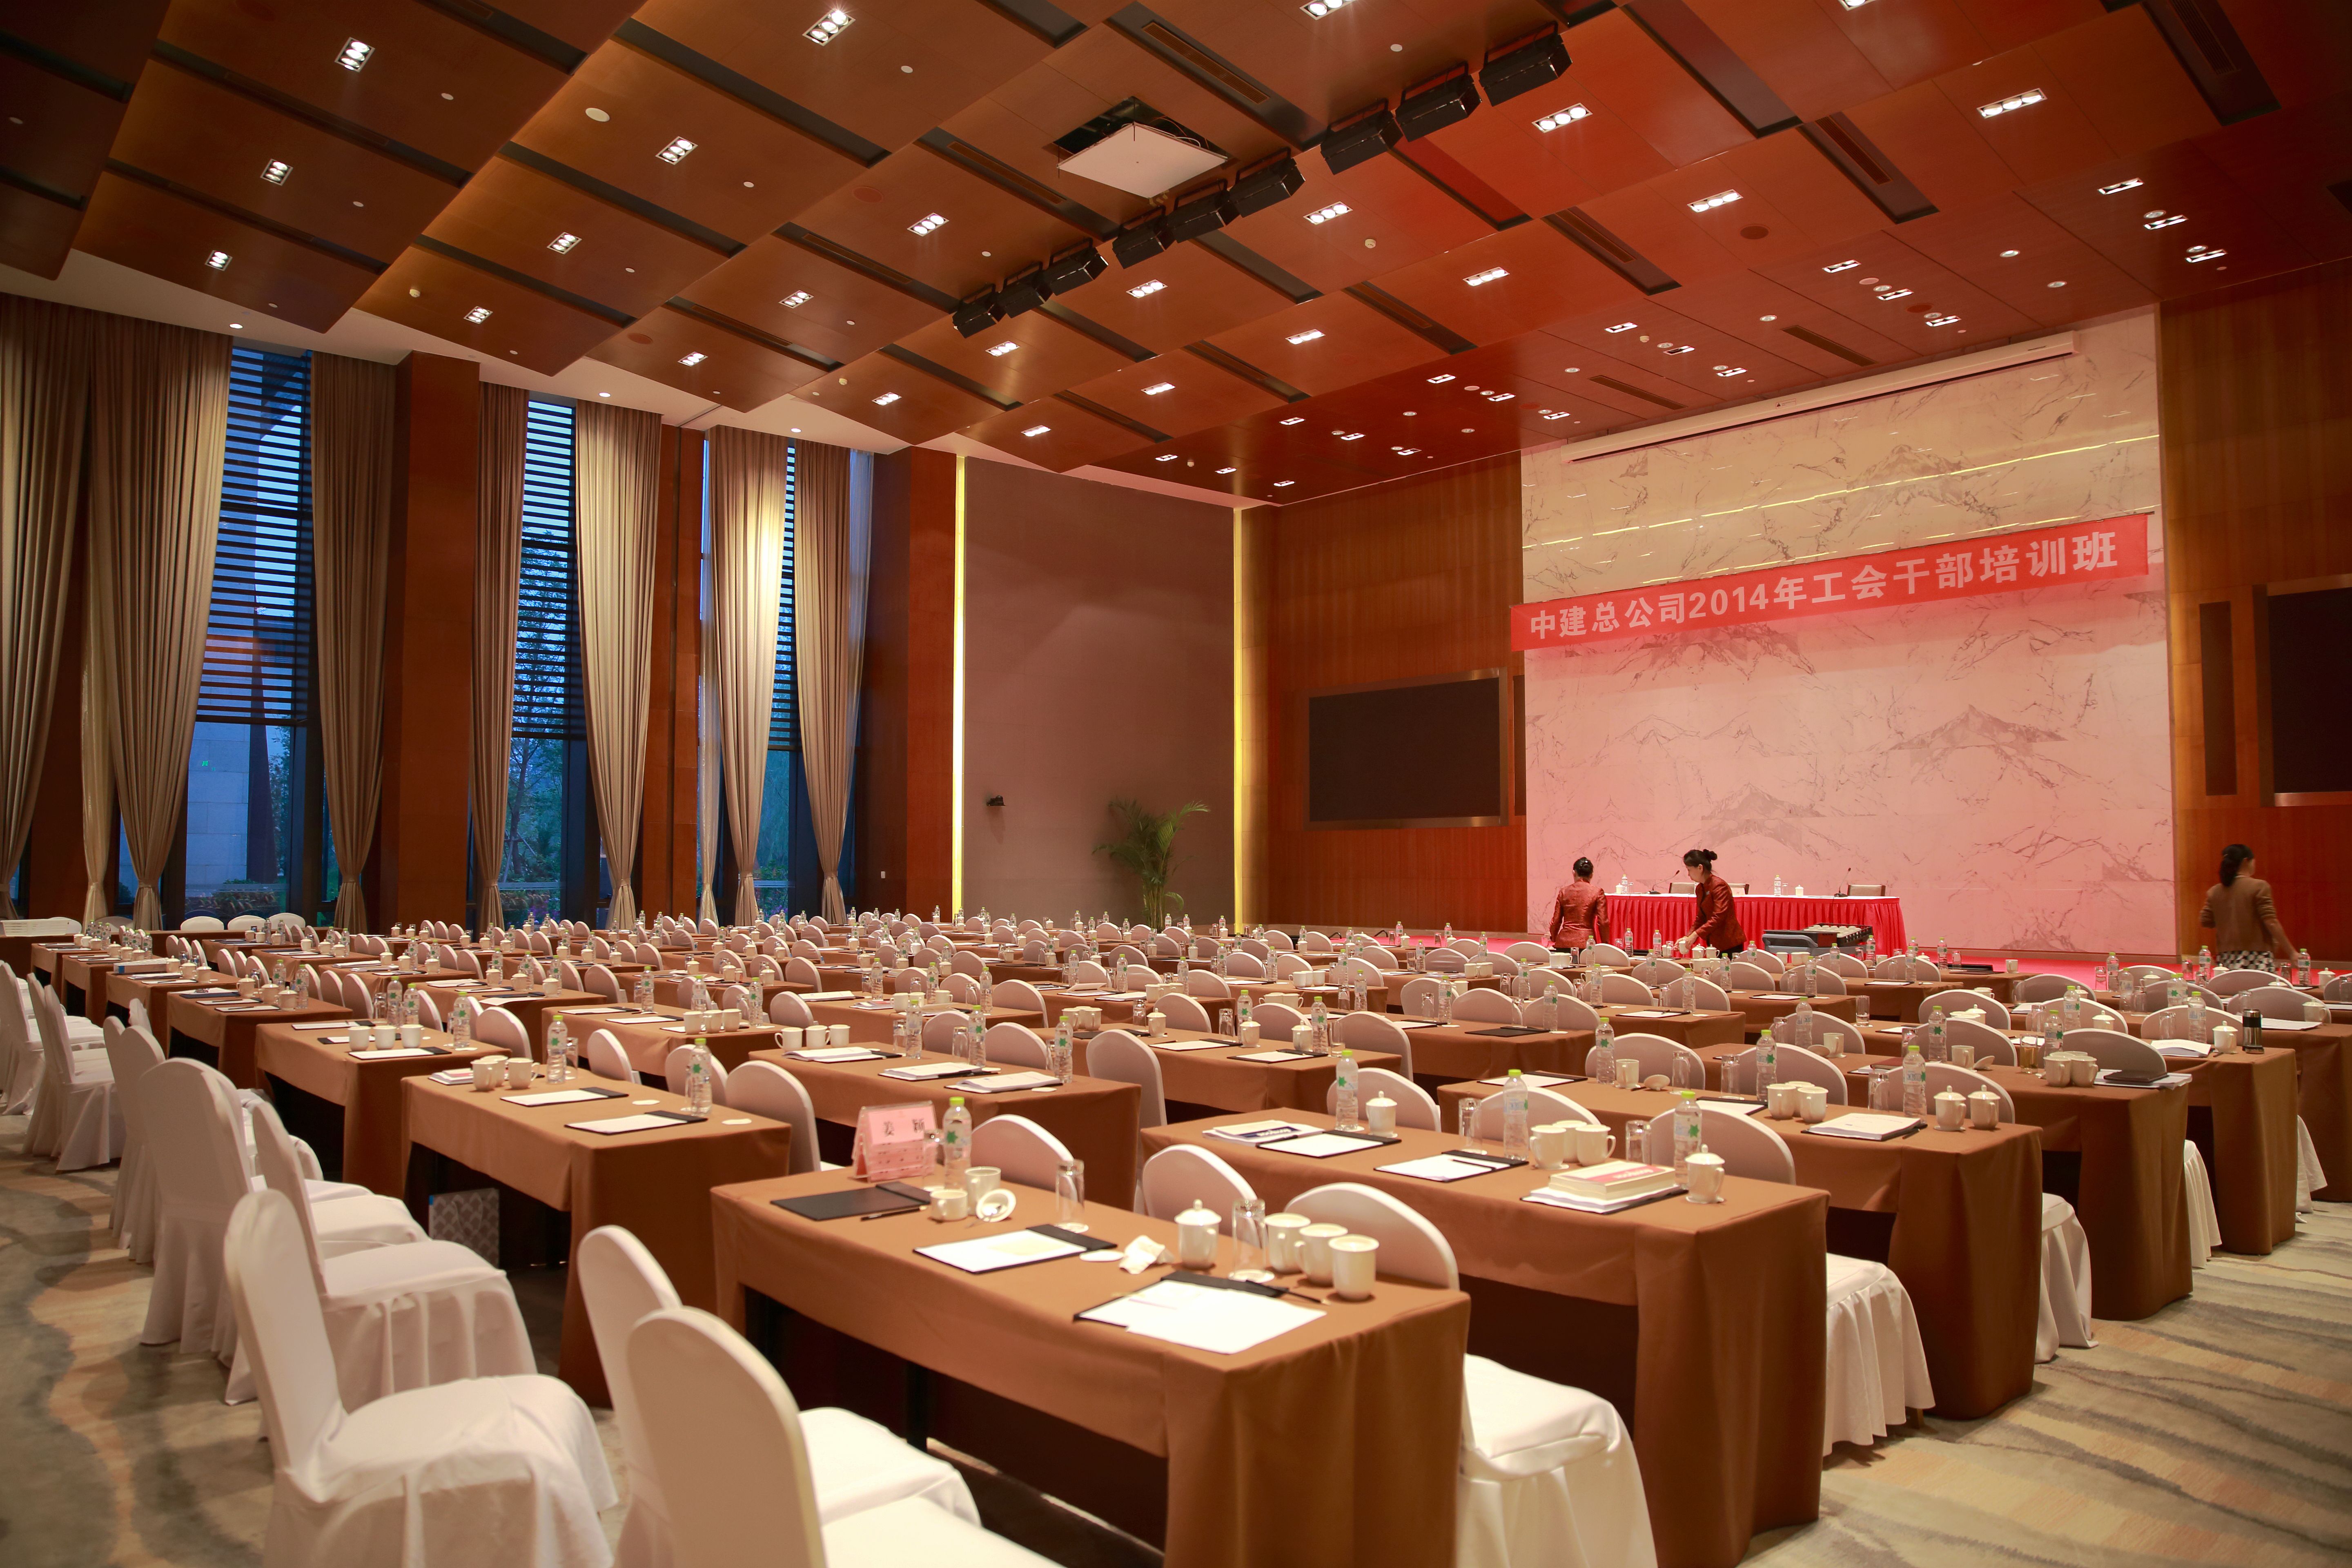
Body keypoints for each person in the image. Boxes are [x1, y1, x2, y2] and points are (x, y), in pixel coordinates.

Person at [2199, 844, 2294, 972]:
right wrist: (2292, 952)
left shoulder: (2215, 891)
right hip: (2258, 957)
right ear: (2246, 861)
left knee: (2231, 985)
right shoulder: (2259, 886)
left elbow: (2205, 921)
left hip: (2226, 958)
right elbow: (2271, 921)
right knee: (2258, 986)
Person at [1686, 849, 1744, 952]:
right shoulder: (1700, 888)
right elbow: (1701, 917)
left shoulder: (1719, 886)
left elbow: (1719, 916)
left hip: (1729, 942)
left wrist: (1696, 934)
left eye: (1689, 870)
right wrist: (1688, 937)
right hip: (1713, 942)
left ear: (1700, 868)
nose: (1688, 875)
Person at [1547, 858, 1609, 950]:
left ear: (1574, 873)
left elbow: (1556, 921)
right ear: (1592, 875)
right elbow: (1603, 922)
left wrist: (1554, 937)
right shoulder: (1597, 892)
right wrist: (1605, 944)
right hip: (1586, 943)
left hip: (1563, 943)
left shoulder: (1564, 892)